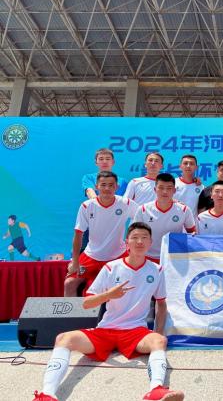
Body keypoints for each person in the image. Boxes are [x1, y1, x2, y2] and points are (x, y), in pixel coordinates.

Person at [32, 222, 184, 401]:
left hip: (135, 332)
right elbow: (86, 303)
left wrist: (157, 333)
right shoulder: (111, 268)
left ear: (151, 242)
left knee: (159, 340)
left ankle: (156, 390)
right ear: (126, 242)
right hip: (106, 330)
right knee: (63, 338)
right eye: (135, 237)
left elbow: (161, 304)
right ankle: (47, 394)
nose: (139, 241)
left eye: (144, 238)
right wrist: (109, 295)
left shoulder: (156, 270)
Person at [64, 171, 139, 297]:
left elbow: (144, 217)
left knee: (128, 284)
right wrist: (75, 261)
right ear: (96, 187)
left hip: (118, 255)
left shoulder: (125, 203)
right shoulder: (87, 206)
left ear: (117, 187)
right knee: (69, 283)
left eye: (111, 185)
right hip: (91, 255)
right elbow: (78, 235)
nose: (107, 188)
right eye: (103, 185)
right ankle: (70, 311)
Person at [134, 173, 196, 263]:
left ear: (174, 190)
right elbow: (135, 234)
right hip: (147, 257)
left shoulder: (184, 210)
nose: (165, 192)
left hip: (173, 258)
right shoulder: (143, 209)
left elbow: (192, 233)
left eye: (169, 188)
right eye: (161, 188)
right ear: (155, 189)